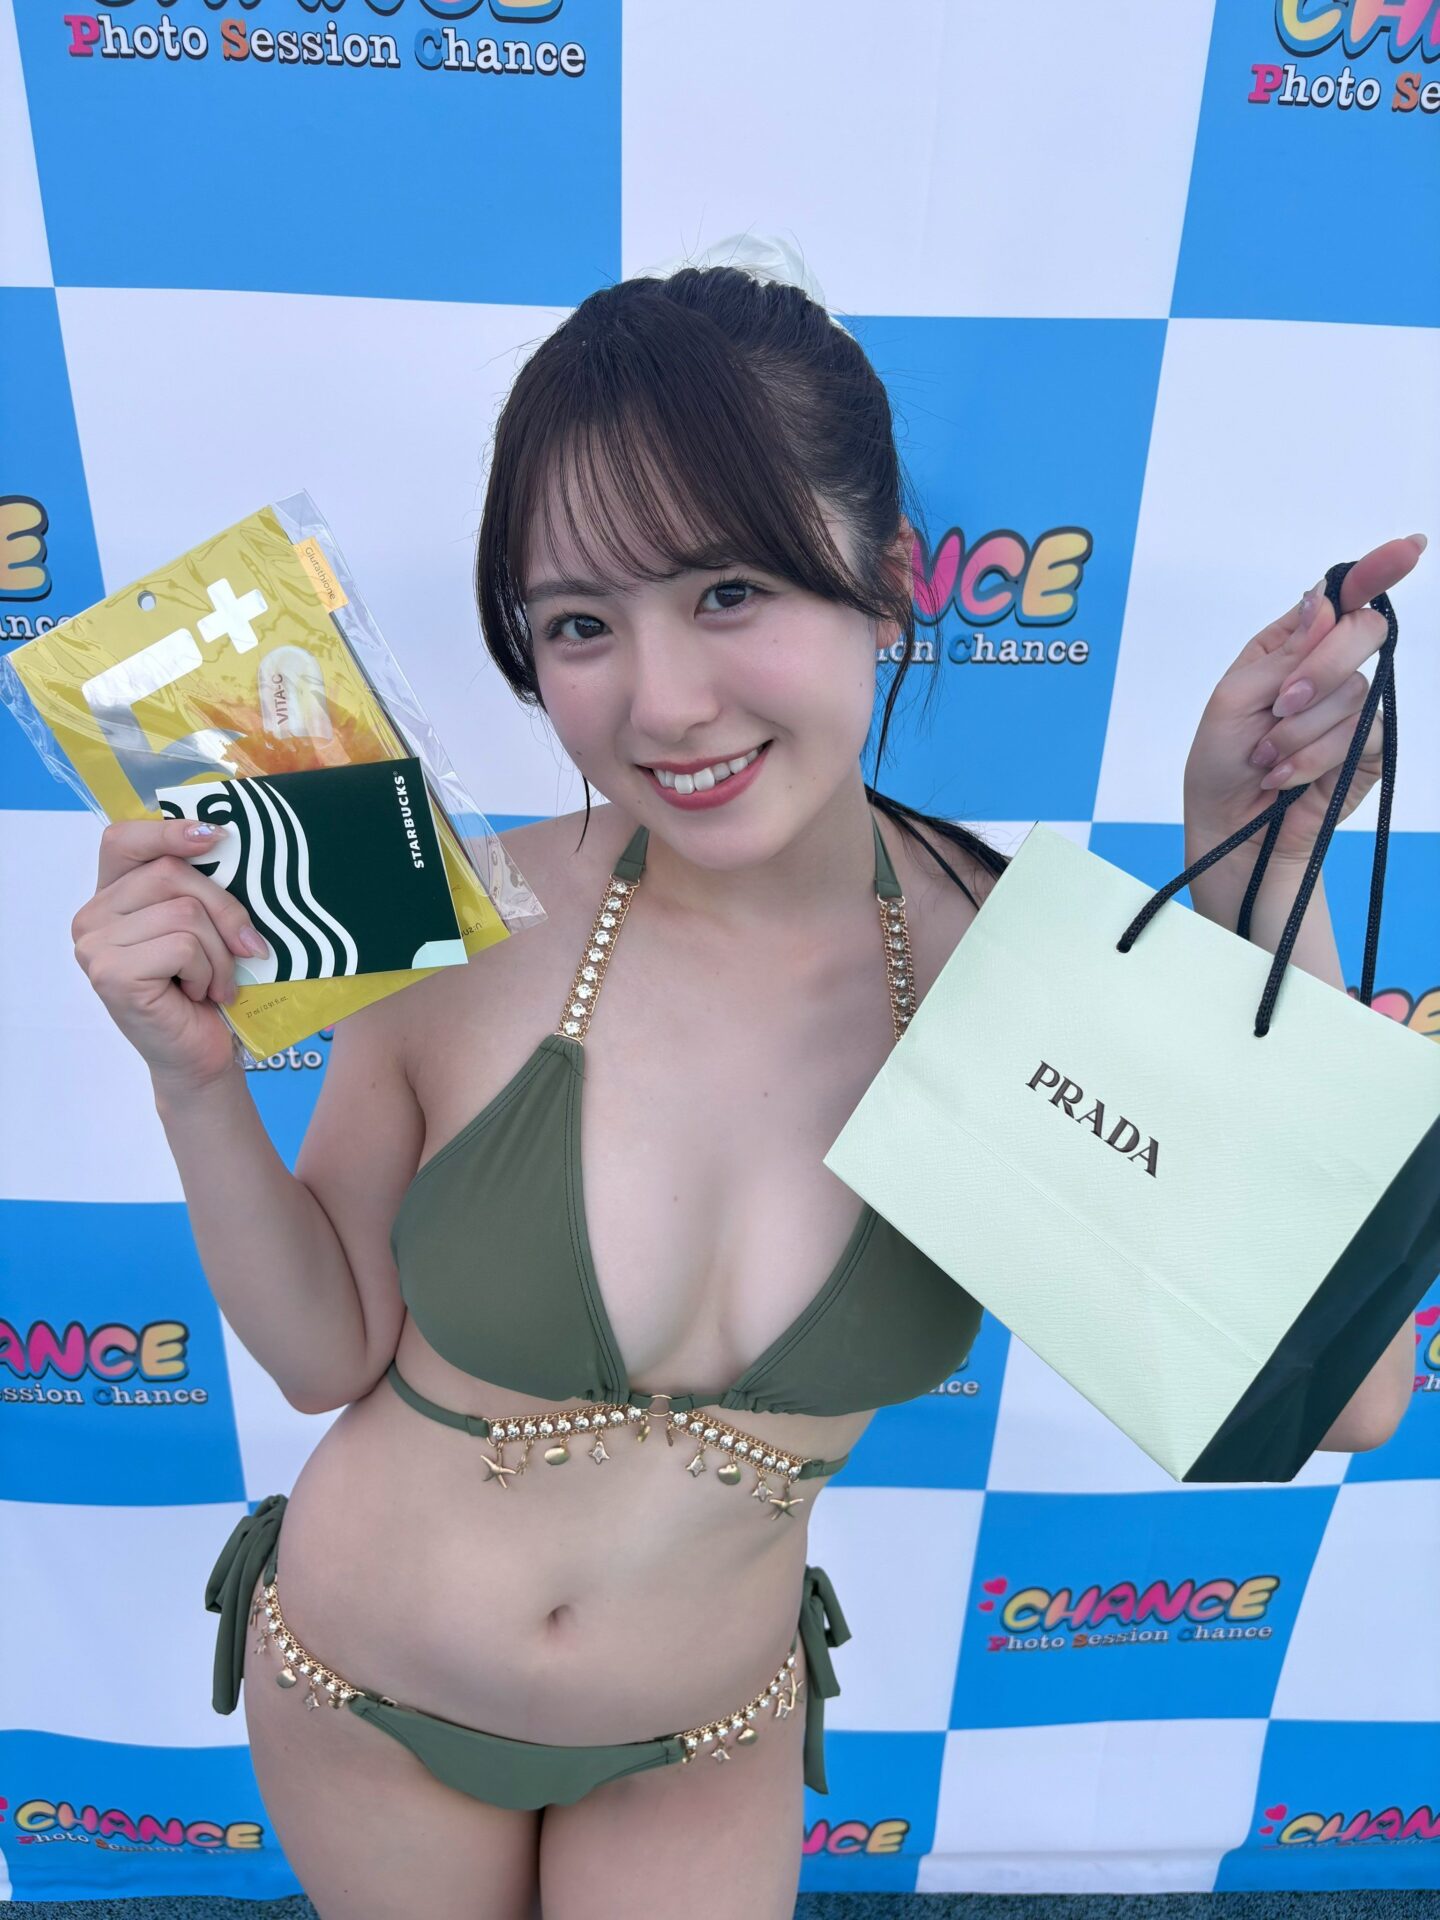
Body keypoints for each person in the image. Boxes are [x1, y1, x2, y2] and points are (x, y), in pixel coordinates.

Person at [69, 241, 1009, 1919]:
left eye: (730, 592)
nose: (664, 702)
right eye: (580, 624)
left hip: (703, 1733)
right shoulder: (463, 916)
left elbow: (1350, 1395)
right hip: (367, 1698)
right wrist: (195, 1081)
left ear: (887, 581)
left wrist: (1273, 887)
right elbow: (324, 1354)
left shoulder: (1020, 979)